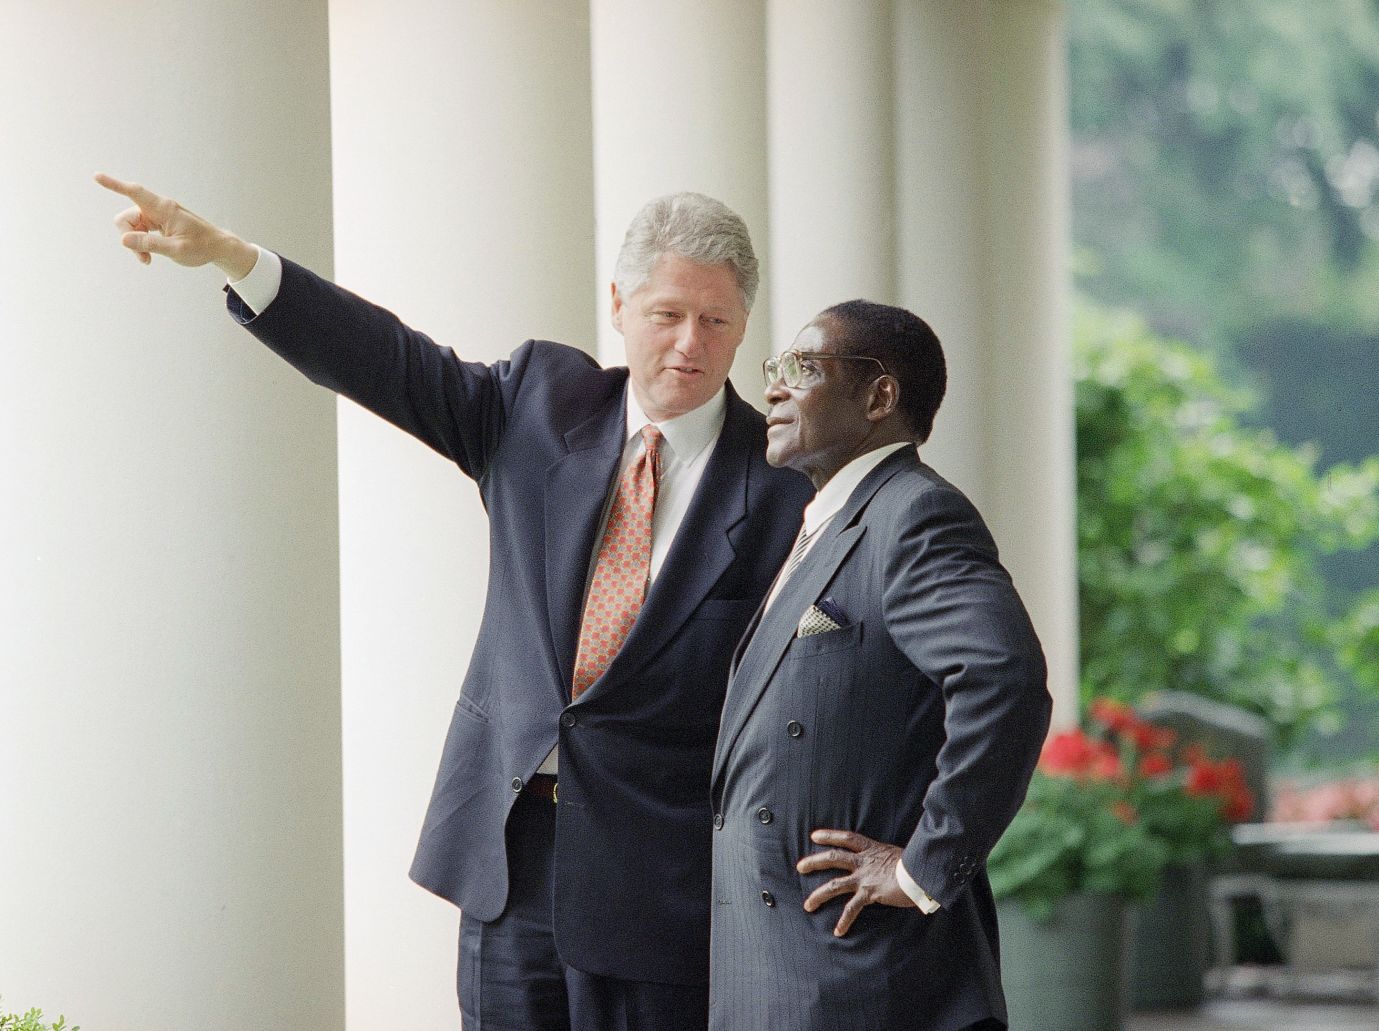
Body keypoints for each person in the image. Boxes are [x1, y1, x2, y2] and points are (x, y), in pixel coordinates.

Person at [96, 174, 809, 1030]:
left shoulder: (780, 489)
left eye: (717, 321)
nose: (690, 343)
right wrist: (233, 258)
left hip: (664, 887)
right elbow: (389, 360)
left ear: (741, 331)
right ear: (618, 304)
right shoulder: (541, 404)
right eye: (668, 313)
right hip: (508, 862)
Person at [708, 300, 1051, 1031]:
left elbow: (1004, 680)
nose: (773, 389)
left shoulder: (914, 514)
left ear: (879, 396)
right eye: (777, 370)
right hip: (783, 972)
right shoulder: (829, 522)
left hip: (862, 985)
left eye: (803, 368)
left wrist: (922, 866)